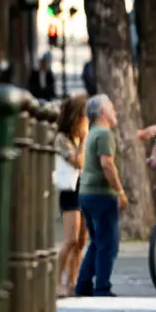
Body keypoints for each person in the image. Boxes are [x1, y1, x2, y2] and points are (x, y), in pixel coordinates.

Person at [73, 94, 128, 298]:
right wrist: (120, 192)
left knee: (96, 241)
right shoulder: (104, 134)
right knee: (108, 244)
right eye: (112, 108)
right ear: (103, 112)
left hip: (85, 193)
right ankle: (102, 287)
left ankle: (83, 284)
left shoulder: (92, 133)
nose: (115, 113)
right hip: (101, 194)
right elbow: (107, 164)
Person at [55, 93, 89, 297]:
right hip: (70, 192)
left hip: (84, 189)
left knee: (81, 241)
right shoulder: (62, 139)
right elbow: (79, 162)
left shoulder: (80, 137)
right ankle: (58, 281)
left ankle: (72, 280)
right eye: (84, 118)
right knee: (70, 239)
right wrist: (84, 140)